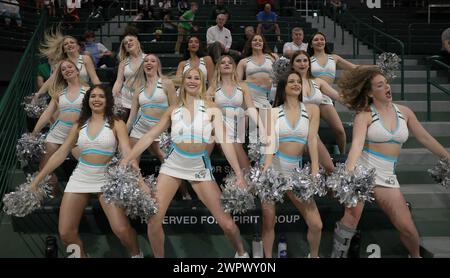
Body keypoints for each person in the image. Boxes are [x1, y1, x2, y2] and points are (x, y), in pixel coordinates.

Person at [121, 68, 250, 258]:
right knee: (154, 220)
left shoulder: (212, 107)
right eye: (189, 77)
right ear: (183, 81)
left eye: (197, 78)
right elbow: (149, 136)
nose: (192, 81)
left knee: (227, 224)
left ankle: (241, 254)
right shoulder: (173, 109)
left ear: (202, 82)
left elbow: (225, 142)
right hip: (173, 165)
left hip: (199, 167)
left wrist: (239, 174)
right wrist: (129, 157)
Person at [331, 67, 450, 258]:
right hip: (363, 173)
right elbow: (357, 146)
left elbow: (425, 138)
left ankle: (415, 256)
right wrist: (350, 173)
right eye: (380, 85)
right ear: (370, 92)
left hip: (387, 177)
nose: (387, 87)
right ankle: (337, 255)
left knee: (408, 228)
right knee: (352, 218)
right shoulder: (365, 115)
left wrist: (447, 157)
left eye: (386, 83)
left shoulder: (405, 112)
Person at [30, 85, 143, 258]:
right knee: (66, 232)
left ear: (107, 101)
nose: (96, 99)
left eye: (101, 96)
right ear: (87, 100)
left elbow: (127, 152)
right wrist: (37, 180)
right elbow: (61, 153)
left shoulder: (116, 123)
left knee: (121, 229)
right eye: (93, 96)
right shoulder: (78, 124)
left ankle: (136, 254)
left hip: (106, 178)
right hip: (80, 177)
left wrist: (140, 180)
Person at [261, 71, 321, 258]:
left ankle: (313, 255)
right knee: (269, 221)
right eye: (291, 81)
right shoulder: (272, 112)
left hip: (296, 174)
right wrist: (266, 170)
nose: (296, 84)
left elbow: (312, 140)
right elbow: (270, 143)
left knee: (316, 224)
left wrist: (315, 168)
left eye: (298, 82)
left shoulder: (312, 109)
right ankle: (267, 259)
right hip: (275, 170)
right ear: (283, 87)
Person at [32, 59, 89, 194]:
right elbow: (47, 114)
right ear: (62, 75)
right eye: (63, 69)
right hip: (57, 133)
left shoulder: (88, 90)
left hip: (77, 134)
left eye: (70, 67)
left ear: (76, 70)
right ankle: (56, 196)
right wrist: (34, 132)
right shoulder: (59, 93)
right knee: (44, 169)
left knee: (89, 165)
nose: (67, 70)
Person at [290, 50, 343, 172]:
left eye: (305, 60)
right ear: (292, 64)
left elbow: (338, 97)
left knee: (329, 168)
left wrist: (360, 104)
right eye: (298, 61)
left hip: (313, 133)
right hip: (295, 131)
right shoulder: (288, 83)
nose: (302, 63)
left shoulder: (318, 82)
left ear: (309, 64)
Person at [307, 31, 359, 154]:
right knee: (311, 133)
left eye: (322, 39)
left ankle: (342, 158)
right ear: (311, 44)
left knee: (339, 131)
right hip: (311, 97)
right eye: (316, 40)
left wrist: (375, 68)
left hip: (327, 97)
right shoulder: (307, 60)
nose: (319, 41)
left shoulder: (334, 58)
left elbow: (355, 68)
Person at [206, 55, 257, 170]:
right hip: (220, 126)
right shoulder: (214, 87)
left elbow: (251, 108)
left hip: (238, 126)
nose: (226, 64)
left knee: (235, 140)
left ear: (234, 67)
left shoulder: (242, 86)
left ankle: (245, 178)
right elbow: (207, 108)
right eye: (223, 62)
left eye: (229, 62)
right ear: (218, 68)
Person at [127, 54, 177, 162]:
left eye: (153, 61)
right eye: (146, 61)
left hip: (160, 128)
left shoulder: (167, 83)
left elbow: (175, 111)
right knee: (131, 160)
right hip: (140, 128)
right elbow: (132, 117)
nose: (149, 63)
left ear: (158, 66)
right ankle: (139, 180)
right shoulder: (138, 89)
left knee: (165, 159)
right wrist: (124, 134)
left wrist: (174, 132)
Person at [33, 29, 101, 101]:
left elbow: (94, 78)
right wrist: (38, 94)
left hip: (84, 94)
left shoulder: (86, 58)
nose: (69, 44)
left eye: (72, 42)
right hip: (67, 95)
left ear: (78, 46)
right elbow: (51, 80)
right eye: (66, 44)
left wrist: (101, 92)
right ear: (64, 49)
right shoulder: (61, 63)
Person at [237, 34, 278, 109]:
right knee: (252, 119)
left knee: (267, 119)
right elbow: (237, 82)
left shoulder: (272, 57)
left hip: (267, 95)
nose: (257, 42)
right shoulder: (243, 61)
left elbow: (279, 75)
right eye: (255, 40)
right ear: (250, 43)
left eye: (260, 40)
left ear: (263, 44)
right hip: (250, 95)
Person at [112, 34, 146, 121]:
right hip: (125, 97)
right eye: (125, 43)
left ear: (137, 42)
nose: (128, 43)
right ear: (125, 48)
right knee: (120, 122)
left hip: (142, 96)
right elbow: (119, 81)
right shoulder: (123, 63)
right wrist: (113, 96)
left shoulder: (147, 58)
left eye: (131, 40)